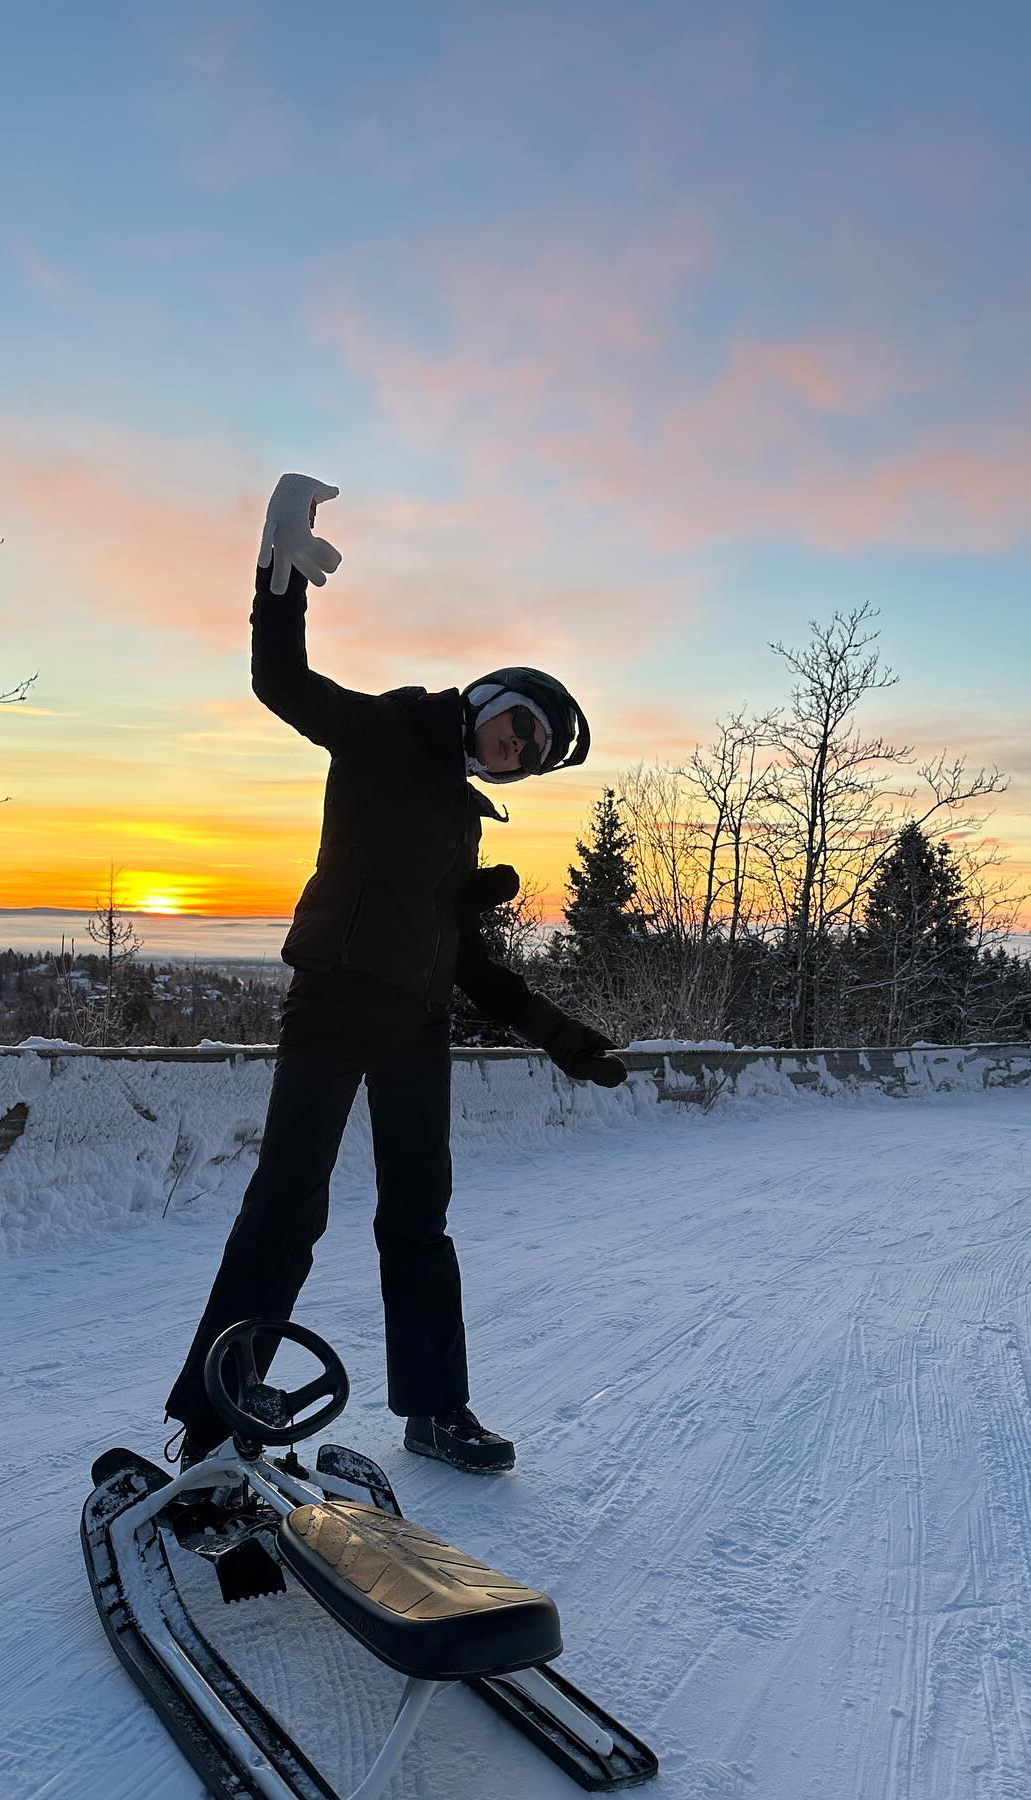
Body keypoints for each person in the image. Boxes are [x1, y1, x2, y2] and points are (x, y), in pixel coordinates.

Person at [165, 474, 627, 1474]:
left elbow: (466, 963)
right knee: (289, 1203)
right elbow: (281, 683)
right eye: (522, 731)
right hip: (335, 999)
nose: (519, 752)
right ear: (491, 699)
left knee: (420, 1217)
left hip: (418, 1027)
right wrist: (277, 573)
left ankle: (434, 1407)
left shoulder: (461, 817)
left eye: (533, 758)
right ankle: (215, 1408)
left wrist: (562, 1035)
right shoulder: (383, 732)